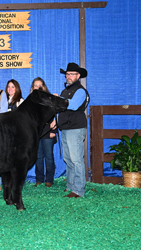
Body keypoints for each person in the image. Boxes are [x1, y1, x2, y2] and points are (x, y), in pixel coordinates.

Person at [57, 62, 90, 198]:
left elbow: (74, 105)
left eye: (71, 74)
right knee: (68, 159)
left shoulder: (80, 91)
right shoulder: (66, 90)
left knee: (76, 159)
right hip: (66, 127)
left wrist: (57, 100)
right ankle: (70, 186)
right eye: (67, 74)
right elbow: (61, 107)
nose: (68, 76)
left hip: (75, 128)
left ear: (78, 75)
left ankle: (78, 190)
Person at [31, 77, 58, 188]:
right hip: (37, 132)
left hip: (48, 131)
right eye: (36, 85)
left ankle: (49, 180)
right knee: (38, 157)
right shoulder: (31, 100)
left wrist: (55, 130)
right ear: (33, 88)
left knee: (48, 156)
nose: (38, 87)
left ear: (44, 86)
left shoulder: (49, 99)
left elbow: (55, 114)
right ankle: (39, 179)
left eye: (40, 85)